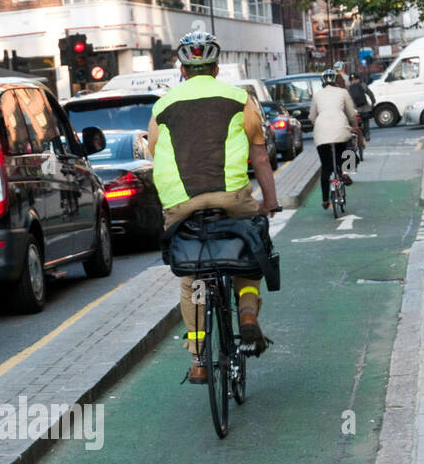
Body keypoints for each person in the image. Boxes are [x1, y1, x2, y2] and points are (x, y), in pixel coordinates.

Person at [147, 28, 280, 383]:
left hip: (180, 204)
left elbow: (154, 152)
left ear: (181, 68)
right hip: (231, 199)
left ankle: (199, 359)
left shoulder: (162, 106)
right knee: (250, 254)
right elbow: (260, 156)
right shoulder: (240, 99)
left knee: (192, 277)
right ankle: (248, 314)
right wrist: (270, 200)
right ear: (216, 68)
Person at [308, 69, 360, 210]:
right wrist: (354, 126)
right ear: (335, 81)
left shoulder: (317, 95)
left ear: (323, 82)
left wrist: (319, 127)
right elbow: (351, 113)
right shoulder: (342, 92)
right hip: (341, 130)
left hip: (321, 133)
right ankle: (345, 173)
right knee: (348, 152)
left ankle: (325, 200)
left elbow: (312, 117)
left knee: (326, 168)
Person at [348, 73, 375, 140]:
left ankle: (354, 136)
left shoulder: (348, 88)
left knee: (354, 123)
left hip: (355, 109)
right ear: (358, 79)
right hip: (365, 108)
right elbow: (370, 94)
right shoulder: (363, 85)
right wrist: (373, 102)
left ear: (350, 80)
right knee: (366, 121)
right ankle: (367, 135)